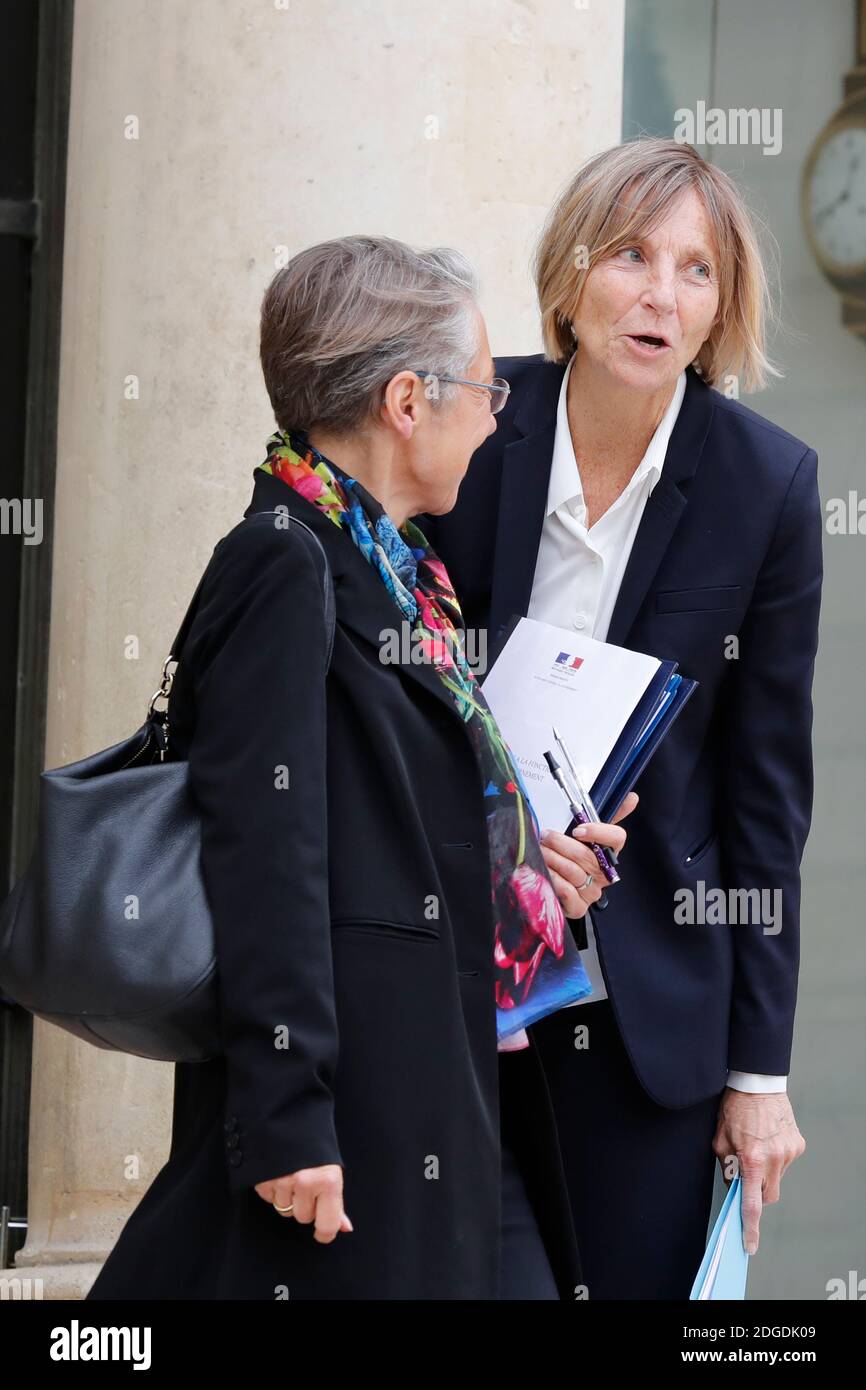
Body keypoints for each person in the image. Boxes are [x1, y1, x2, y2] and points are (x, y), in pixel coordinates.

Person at [85, 234, 632, 1301]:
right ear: (404, 402)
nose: (496, 414)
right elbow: (265, 848)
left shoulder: (397, 572)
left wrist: (534, 867)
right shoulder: (283, 560)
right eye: (480, 388)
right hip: (351, 1115)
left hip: (447, 1085)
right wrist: (287, 1113)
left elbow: (397, 822)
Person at [417, 138, 822, 1299]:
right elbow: (389, 703)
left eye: (695, 271)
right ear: (569, 277)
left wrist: (758, 1070)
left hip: (644, 1008)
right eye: (632, 256)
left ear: (719, 309)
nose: (660, 294)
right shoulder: (469, 425)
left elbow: (764, 797)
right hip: (448, 982)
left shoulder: (766, 488)